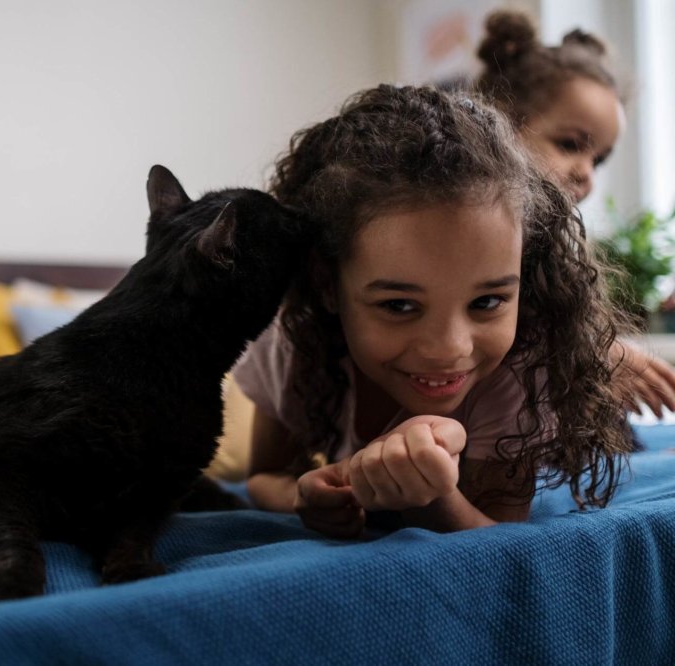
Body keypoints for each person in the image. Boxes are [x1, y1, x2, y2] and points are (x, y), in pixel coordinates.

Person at [232, 84, 634, 537]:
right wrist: (308, 497)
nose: (449, 348)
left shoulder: (519, 364)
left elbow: (499, 538)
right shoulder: (292, 339)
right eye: (399, 305)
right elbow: (265, 477)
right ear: (327, 285)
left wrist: (432, 500)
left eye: (487, 302)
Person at [473, 9, 675, 417]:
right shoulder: (472, 231)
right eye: (569, 145)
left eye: (598, 159)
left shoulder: (551, 245)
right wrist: (592, 356)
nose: (586, 172)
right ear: (503, 126)